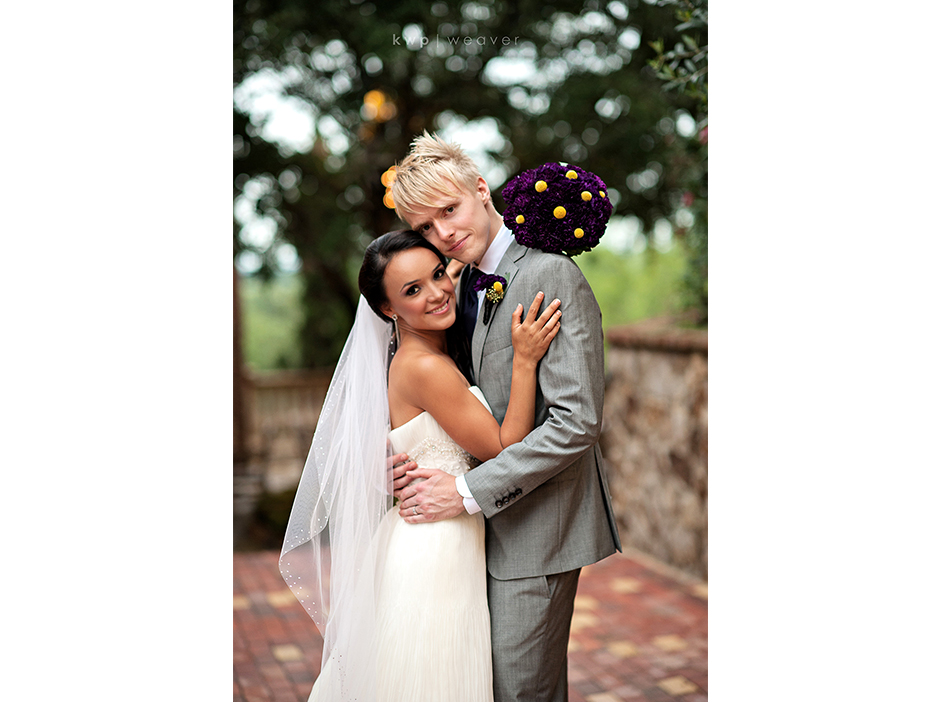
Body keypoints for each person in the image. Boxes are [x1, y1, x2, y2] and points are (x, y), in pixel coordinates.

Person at [280, 229, 563, 702]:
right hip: (436, 548)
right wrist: (525, 361)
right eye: (412, 290)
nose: (436, 293)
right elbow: (503, 447)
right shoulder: (424, 367)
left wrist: (457, 263)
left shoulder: (418, 353)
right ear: (387, 309)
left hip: (428, 535)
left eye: (437, 275)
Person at [390, 133, 622, 702]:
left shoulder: (548, 274)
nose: (444, 233)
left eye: (449, 210)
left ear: (481, 189)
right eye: (426, 227)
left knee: (520, 692)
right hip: (474, 538)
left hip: (536, 533)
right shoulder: (458, 283)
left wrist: (465, 492)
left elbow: (575, 422)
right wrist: (406, 460)